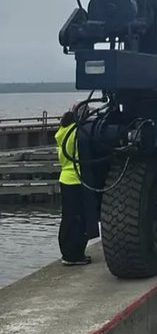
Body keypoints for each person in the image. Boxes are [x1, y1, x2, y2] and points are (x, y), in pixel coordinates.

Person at [55, 109, 91, 266]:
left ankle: (67, 253)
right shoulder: (78, 131)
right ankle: (75, 255)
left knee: (68, 218)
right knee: (79, 218)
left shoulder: (62, 131)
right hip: (77, 178)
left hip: (65, 178)